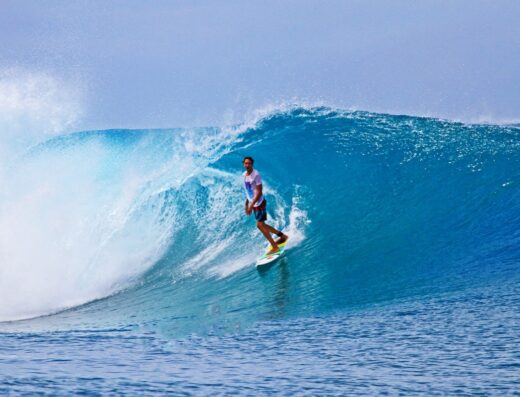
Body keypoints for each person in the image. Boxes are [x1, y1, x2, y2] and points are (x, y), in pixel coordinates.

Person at [242, 156, 287, 254]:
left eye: (249, 163)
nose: (247, 165)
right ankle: (282, 236)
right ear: (243, 164)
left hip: (259, 203)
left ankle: (275, 247)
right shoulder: (244, 175)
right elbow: (248, 190)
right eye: (246, 163)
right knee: (262, 225)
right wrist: (247, 203)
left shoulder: (256, 175)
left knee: (260, 225)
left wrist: (251, 205)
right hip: (253, 204)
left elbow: (259, 192)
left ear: (252, 164)